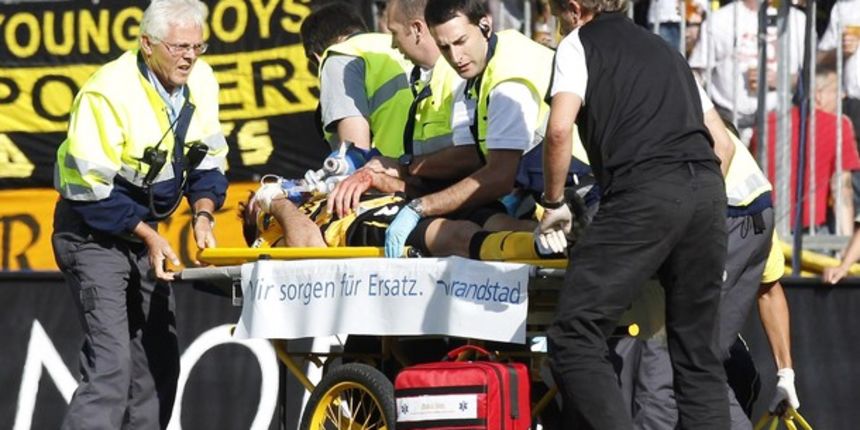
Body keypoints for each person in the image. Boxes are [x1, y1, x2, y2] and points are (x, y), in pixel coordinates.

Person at [537, 0, 730, 426]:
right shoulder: (665, 49)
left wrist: (552, 204)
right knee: (698, 353)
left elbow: (557, 130)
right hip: (708, 191)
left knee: (574, 335)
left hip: (646, 189)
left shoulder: (576, 45)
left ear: (572, 8)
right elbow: (724, 145)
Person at [51, 0, 228, 428]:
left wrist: (203, 214)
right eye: (180, 47)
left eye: (198, 46)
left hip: (144, 234)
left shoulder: (201, 80)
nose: (190, 57)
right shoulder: (106, 91)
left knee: (158, 363)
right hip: (90, 233)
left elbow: (208, 160)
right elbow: (88, 191)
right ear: (147, 44)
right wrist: (151, 236)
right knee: (111, 368)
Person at [375, 0, 558, 258]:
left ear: (485, 25)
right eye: (444, 48)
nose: (455, 57)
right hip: (559, 196)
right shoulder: (479, 70)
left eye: (460, 41)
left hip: (588, 191)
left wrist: (420, 206)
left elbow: (499, 177)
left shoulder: (507, 82)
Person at [754, 65, 860, 235]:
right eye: (835, 90)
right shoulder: (838, 126)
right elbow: (841, 187)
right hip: (810, 230)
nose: (841, 96)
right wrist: (846, 244)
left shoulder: (767, 122)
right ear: (818, 94)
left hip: (764, 229)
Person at [300, 2, 413, 158]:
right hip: (435, 159)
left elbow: (355, 150)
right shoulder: (397, 43)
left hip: (392, 170)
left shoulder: (338, 57)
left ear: (316, 56)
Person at [688, 0, 805, 143]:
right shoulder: (720, 19)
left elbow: (815, 77)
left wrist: (781, 79)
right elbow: (697, 75)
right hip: (729, 124)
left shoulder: (797, 20)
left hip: (780, 124)